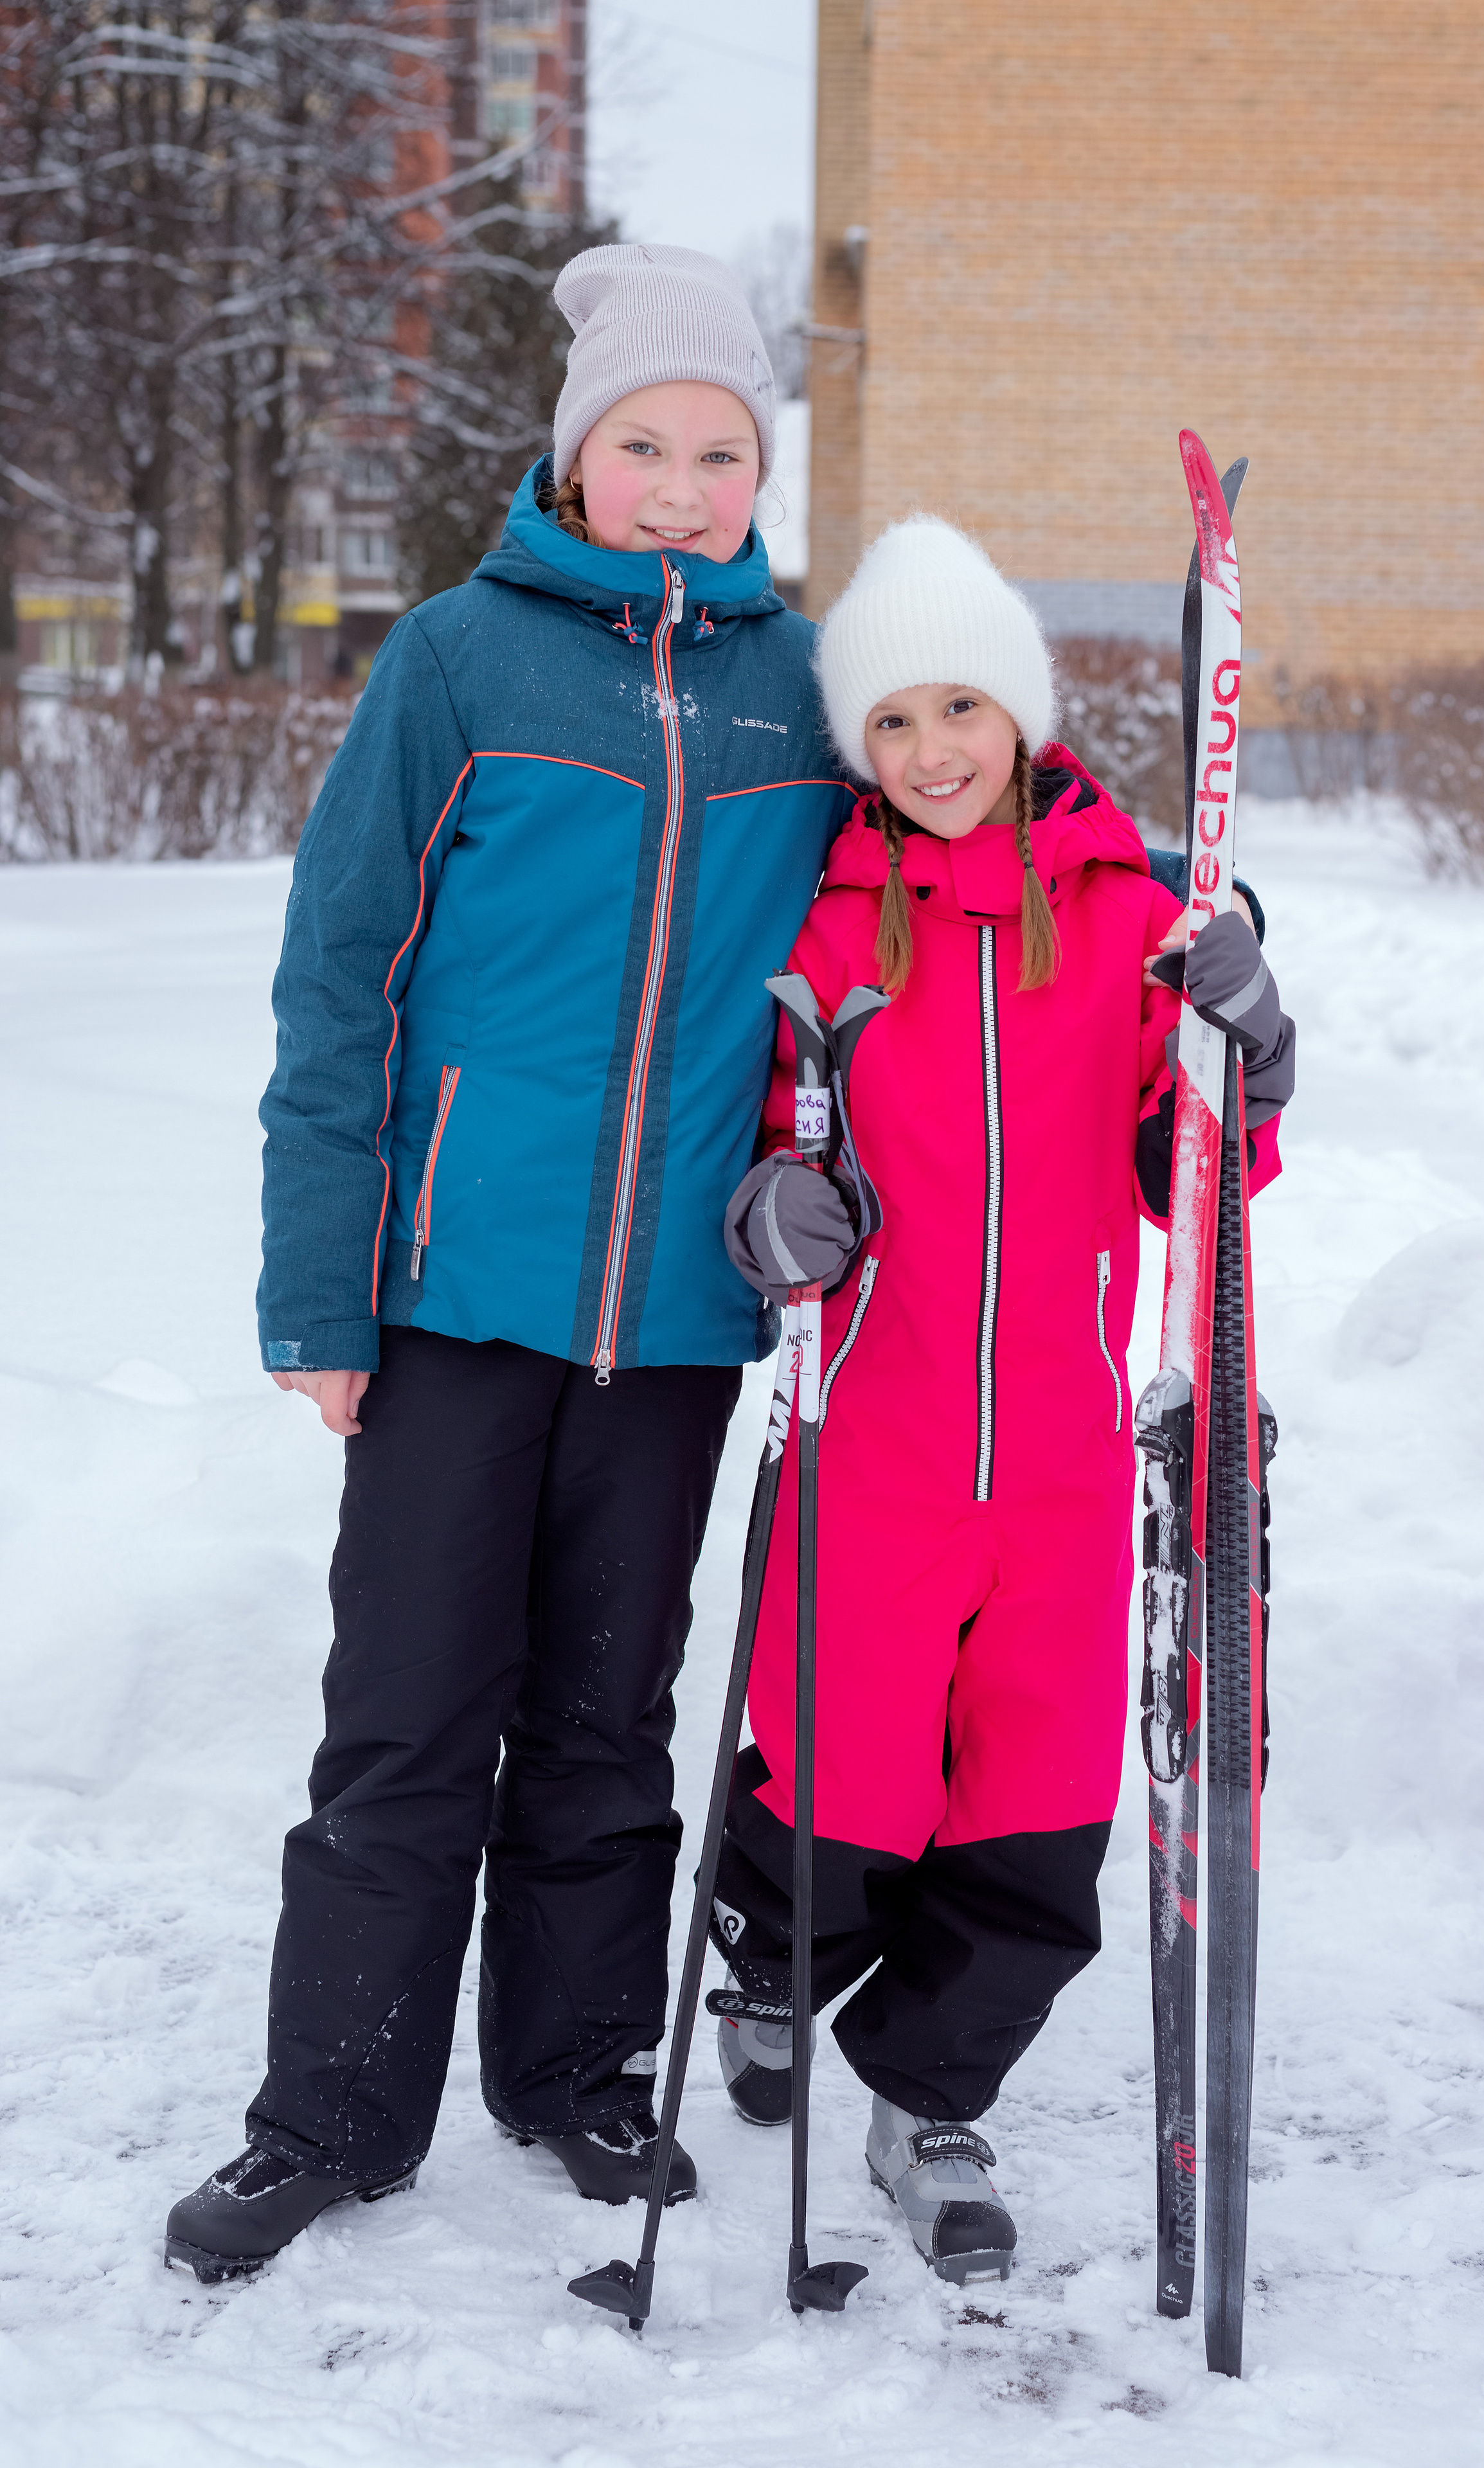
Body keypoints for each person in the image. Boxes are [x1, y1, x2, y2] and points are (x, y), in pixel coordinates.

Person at [163, 244, 859, 2284]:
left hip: (683, 1315)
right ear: (573, 457)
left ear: (760, 474)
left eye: (720, 453)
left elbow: (967, 816)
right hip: (453, 1301)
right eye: (644, 445)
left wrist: (1163, 908)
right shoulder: (459, 662)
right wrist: (321, 1295)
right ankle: (330, 2116)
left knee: (605, 1721)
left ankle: (574, 2072)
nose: (681, 487)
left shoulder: (808, 688)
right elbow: (342, 978)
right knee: (404, 1722)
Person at [712, 517, 1296, 2285]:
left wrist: (1247, 1051)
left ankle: (932, 2100)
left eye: (960, 706)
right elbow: (767, 1139)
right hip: (872, 1432)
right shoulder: (819, 920)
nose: (931, 750)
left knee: (1035, 1802)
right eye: (892, 722)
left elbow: (1188, 1170)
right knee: (839, 1767)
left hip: (1060, 1449)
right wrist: (772, 1210)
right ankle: (774, 1970)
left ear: (1023, 712)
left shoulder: (1133, 922)